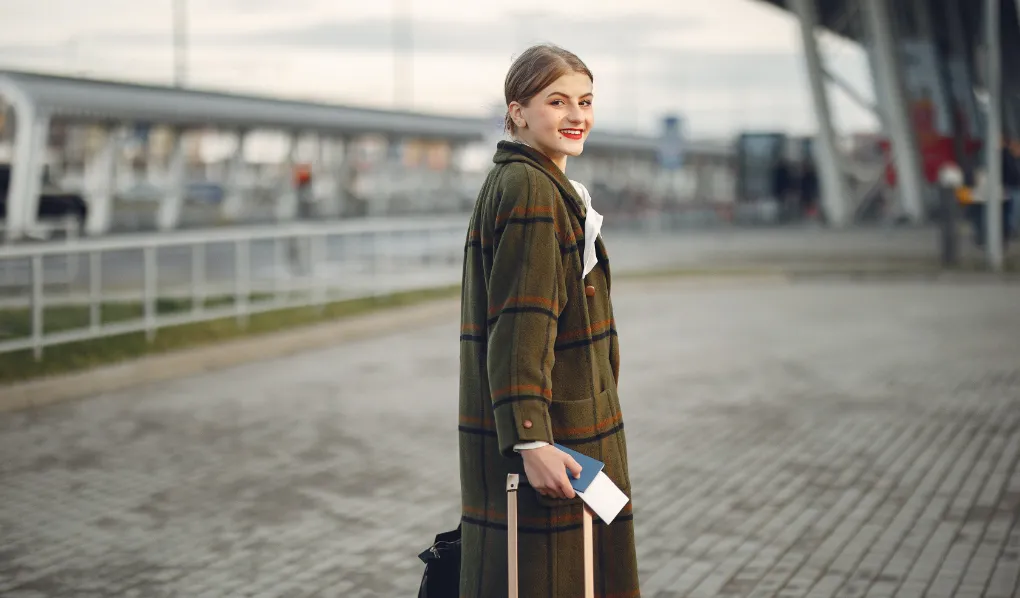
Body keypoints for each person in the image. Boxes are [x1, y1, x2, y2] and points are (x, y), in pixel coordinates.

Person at [457, 44, 640, 597]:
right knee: (552, 580)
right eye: (557, 101)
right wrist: (532, 442)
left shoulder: (533, 182)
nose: (577, 115)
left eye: (585, 101)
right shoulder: (533, 190)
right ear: (517, 110)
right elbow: (521, 325)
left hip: (566, 429)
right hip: (559, 437)